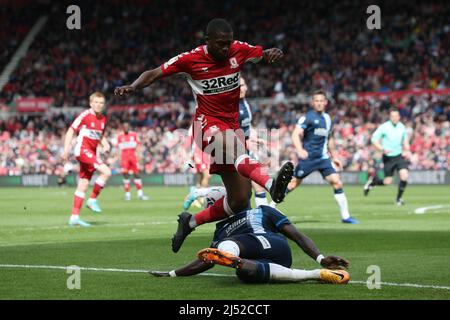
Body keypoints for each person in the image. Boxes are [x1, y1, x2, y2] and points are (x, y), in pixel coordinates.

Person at [114, 18, 294, 253]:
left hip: (232, 127)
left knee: (240, 201)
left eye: (228, 43)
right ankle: (272, 185)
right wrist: (133, 87)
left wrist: (271, 52)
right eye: (220, 43)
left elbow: (261, 53)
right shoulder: (190, 59)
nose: (225, 48)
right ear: (207, 41)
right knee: (233, 146)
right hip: (206, 125)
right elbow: (155, 72)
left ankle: (190, 222)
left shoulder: (238, 49)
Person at [150, 205, 350, 285]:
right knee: (244, 272)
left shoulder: (221, 229)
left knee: (228, 247)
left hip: (258, 242)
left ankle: (232, 257)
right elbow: (297, 235)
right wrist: (321, 259)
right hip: (280, 255)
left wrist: (173, 273)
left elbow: (206, 261)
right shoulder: (263, 210)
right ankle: (316, 273)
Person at [287, 90, 358, 224]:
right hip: (308, 158)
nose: (319, 103)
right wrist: (300, 149)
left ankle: (346, 216)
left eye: (321, 101)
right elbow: (295, 134)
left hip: (323, 158)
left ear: (325, 103)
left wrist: (335, 157)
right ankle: (269, 207)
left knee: (337, 182)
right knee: (293, 184)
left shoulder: (328, 118)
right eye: (316, 101)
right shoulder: (307, 117)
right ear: (312, 103)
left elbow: (329, 139)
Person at [63, 92, 111, 227]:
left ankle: (74, 217)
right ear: (91, 103)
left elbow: (100, 135)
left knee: (83, 184)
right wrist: (66, 149)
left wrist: (105, 143)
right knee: (106, 172)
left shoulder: (103, 119)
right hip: (82, 150)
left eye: (101, 103)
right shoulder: (85, 115)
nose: (99, 105)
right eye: (96, 102)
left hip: (92, 152)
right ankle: (92, 200)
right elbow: (71, 130)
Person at [364, 108, 411, 205]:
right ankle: (373, 182)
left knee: (404, 176)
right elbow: (374, 139)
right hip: (388, 157)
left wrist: (407, 148)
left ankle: (398, 199)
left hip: (399, 156)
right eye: (392, 116)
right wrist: (381, 149)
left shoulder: (401, 127)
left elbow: (405, 141)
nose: (394, 118)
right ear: (390, 117)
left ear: (399, 117)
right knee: (387, 182)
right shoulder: (384, 127)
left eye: (396, 116)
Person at [117, 122, 149, 201]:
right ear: (123, 128)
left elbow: (138, 146)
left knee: (137, 174)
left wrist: (139, 157)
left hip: (133, 157)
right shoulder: (120, 136)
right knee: (126, 175)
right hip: (124, 158)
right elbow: (118, 149)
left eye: (127, 126)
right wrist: (119, 159)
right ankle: (127, 194)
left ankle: (140, 194)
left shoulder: (134, 135)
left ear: (129, 127)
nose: (126, 128)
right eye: (124, 127)